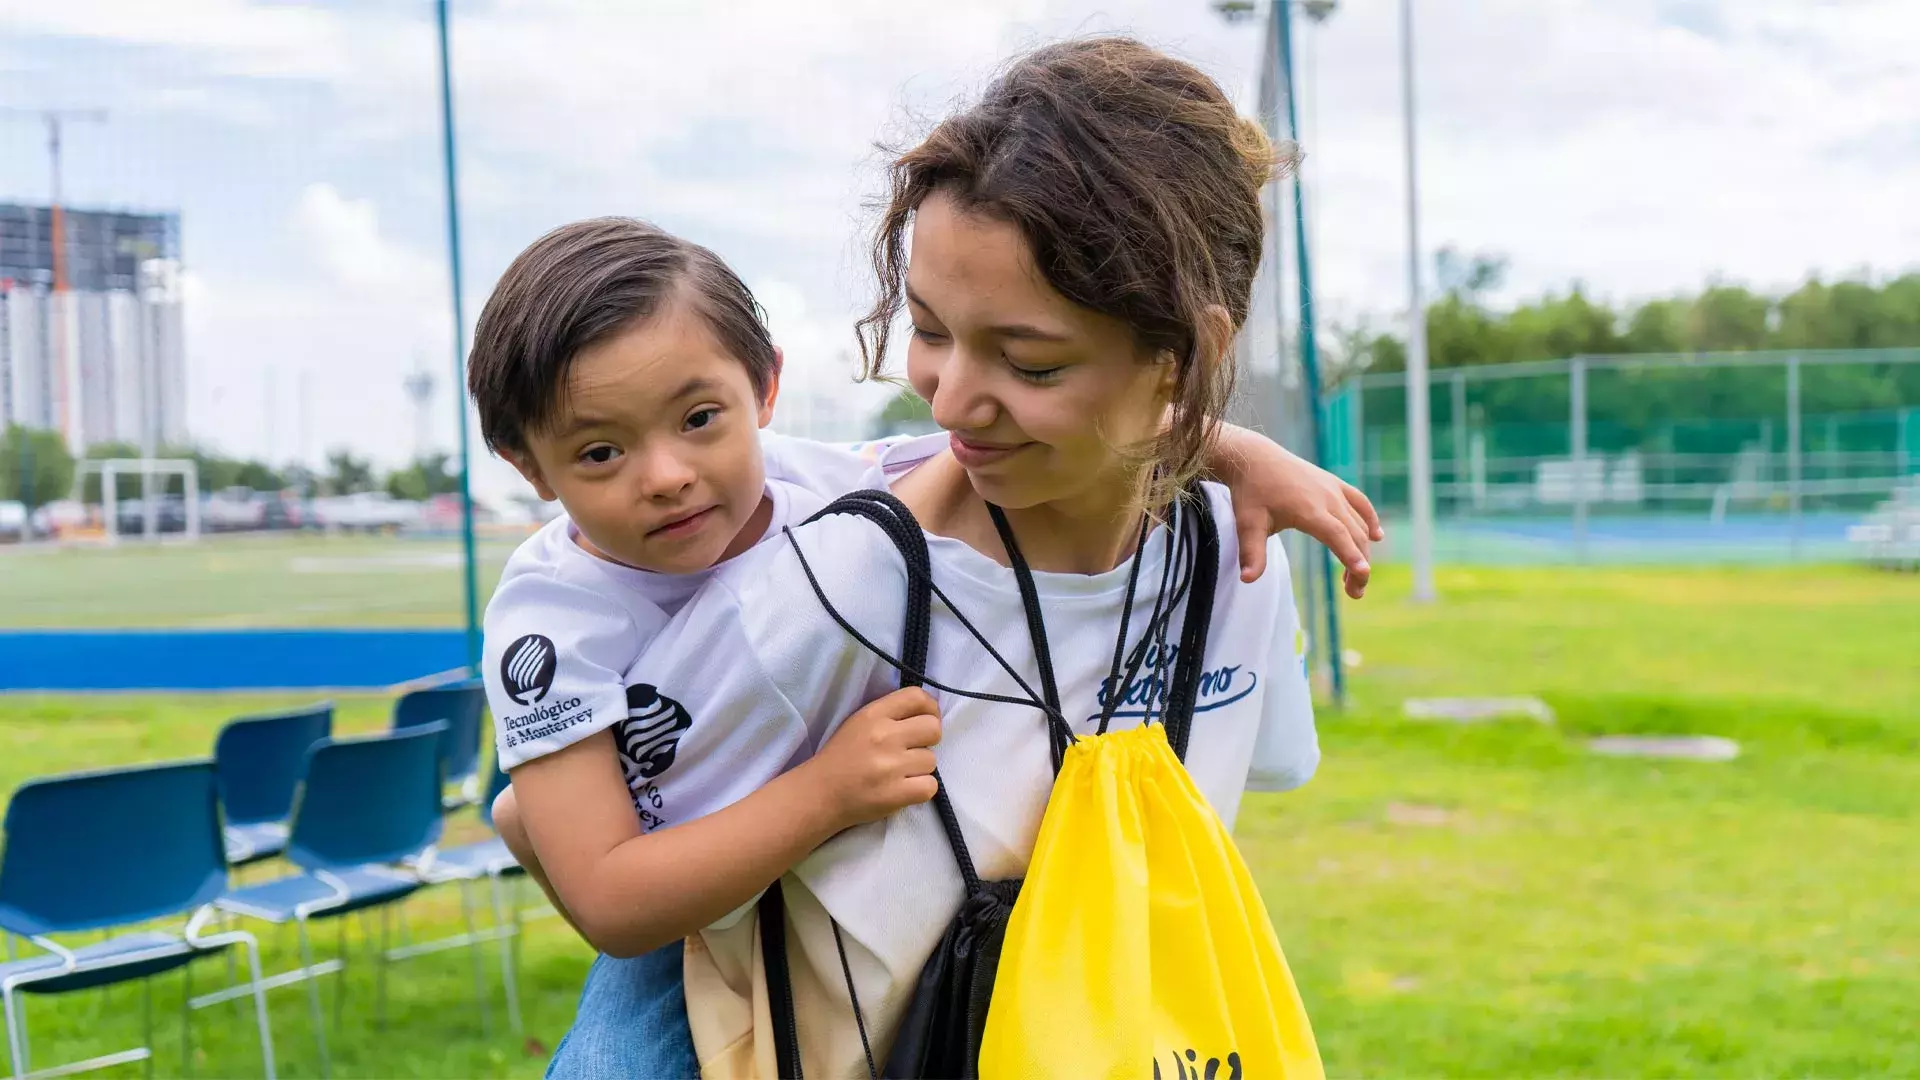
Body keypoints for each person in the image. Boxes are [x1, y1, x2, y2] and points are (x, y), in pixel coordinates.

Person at [467, 217, 1377, 1076]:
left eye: (700, 419)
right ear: (527, 466)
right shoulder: (553, 622)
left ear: (765, 387)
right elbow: (616, 905)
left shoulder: (828, 489)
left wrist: (1238, 449)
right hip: (672, 891)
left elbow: (1017, 441)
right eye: (599, 454)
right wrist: (824, 795)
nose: (665, 475)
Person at [614, 35, 1330, 1076]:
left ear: (1195, 350)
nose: (951, 398)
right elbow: (621, 868)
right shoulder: (842, 586)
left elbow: (1256, 778)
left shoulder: (1237, 554)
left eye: (1029, 361)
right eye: (931, 331)